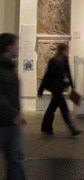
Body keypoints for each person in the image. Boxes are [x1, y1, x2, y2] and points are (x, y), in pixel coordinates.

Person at [38, 43, 81, 136]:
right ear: (62, 51)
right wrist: (40, 90)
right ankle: (72, 129)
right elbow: (47, 76)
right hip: (55, 88)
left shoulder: (65, 61)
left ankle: (46, 127)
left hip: (60, 88)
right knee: (64, 109)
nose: (68, 52)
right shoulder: (54, 61)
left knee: (51, 109)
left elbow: (68, 75)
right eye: (66, 50)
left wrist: (72, 86)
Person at [0, 33, 27, 180]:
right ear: (8, 46)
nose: (18, 47)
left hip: (11, 123)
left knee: (15, 159)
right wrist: (14, 114)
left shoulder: (9, 67)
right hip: (4, 123)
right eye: (16, 44)